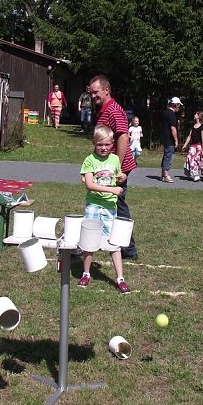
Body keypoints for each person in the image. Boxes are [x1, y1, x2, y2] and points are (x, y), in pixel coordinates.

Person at [89, 75, 138, 260]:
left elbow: (123, 137)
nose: (93, 96)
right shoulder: (103, 109)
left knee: (119, 205)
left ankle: (128, 249)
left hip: (118, 168)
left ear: (106, 90)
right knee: (109, 204)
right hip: (109, 167)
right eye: (91, 92)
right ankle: (116, 245)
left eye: (96, 92)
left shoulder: (114, 110)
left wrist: (117, 168)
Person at [77, 125, 130, 294]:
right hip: (93, 206)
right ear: (94, 143)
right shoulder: (89, 160)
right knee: (89, 242)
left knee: (113, 243)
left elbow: (117, 176)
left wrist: (123, 177)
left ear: (112, 144)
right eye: (100, 145)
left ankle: (120, 278)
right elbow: (90, 184)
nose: (103, 148)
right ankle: (86, 273)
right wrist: (113, 190)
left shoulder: (114, 159)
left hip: (110, 207)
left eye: (107, 145)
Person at [181, 111, 203, 182]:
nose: (194, 115)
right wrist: (185, 145)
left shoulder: (202, 127)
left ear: (199, 116)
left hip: (199, 146)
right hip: (192, 146)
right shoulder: (193, 126)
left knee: (197, 160)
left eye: (196, 114)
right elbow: (189, 136)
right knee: (191, 159)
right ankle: (195, 175)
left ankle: (200, 174)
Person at [161, 97, 182, 183]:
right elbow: (173, 128)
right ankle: (166, 175)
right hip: (169, 139)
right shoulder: (172, 114)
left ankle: (163, 174)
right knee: (169, 156)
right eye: (178, 105)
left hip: (165, 138)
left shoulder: (165, 113)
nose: (179, 107)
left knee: (166, 155)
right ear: (175, 105)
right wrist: (176, 140)